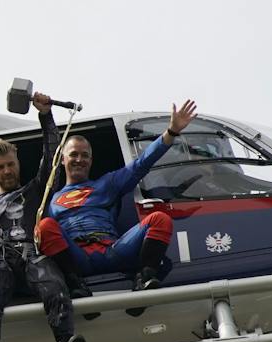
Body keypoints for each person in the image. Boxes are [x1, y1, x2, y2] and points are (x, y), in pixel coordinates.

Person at [35, 99, 198, 293]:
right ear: (62, 160)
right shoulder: (51, 200)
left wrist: (171, 132)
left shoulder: (106, 183)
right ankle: (74, 284)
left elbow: (141, 164)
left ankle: (144, 278)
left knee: (160, 219)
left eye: (85, 155)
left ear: (91, 160)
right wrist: (45, 115)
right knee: (43, 226)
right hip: (78, 259)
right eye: (73, 155)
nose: (79, 160)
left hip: (112, 251)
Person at [0, 91, 87, 342]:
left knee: (52, 282)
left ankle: (65, 341)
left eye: (11, 164)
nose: (7, 171)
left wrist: (45, 116)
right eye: (0, 167)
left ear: (18, 163)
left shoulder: (35, 191)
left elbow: (51, 158)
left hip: (31, 256)